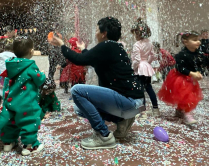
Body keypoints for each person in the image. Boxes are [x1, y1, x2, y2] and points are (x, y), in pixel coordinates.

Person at [50, 17, 145, 150]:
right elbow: (90, 58)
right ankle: (123, 120)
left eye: (96, 30)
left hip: (129, 101)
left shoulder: (107, 46)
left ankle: (104, 136)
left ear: (104, 33)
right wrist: (83, 49)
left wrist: (61, 45)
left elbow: (79, 59)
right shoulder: (115, 47)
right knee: (79, 108)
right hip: (134, 102)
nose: (95, 33)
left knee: (77, 90)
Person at [0, 36, 46, 156]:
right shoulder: (30, 65)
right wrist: (42, 75)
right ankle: (29, 146)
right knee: (29, 122)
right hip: (26, 103)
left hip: (11, 102)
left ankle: (8, 143)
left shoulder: (11, 65)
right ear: (31, 51)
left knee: (11, 122)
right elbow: (39, 80)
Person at [158, 31, 204, 125]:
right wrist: (191, 73)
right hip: (180, 78)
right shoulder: (181, 55)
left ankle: (179, 110)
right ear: (185, 42)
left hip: (190, 77)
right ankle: (187, 114)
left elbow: (199, 65)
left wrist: (199, 72)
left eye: (199, 40)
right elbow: (180, 68)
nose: (198, 42)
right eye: (195, 40)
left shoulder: (198, 54)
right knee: (186, 95)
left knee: (186, 95)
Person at [130, 18, 160, 117]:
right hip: (147, 67)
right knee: (149, 88)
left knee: (140, 89)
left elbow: (137, 60)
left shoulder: (137, 45)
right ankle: (155, 108)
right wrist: (147, 63)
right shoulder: (149, 43)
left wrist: (133, 68)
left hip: (140, 68)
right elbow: (153, 55)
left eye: (135, 33)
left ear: (138, 33)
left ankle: (142, 109)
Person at [0, 38, 16, 107]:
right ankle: (8, 102)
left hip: (2, 74)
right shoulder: (14, 55)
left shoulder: (0, 55)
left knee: (1, 88)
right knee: (10, 87)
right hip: (10, 74)